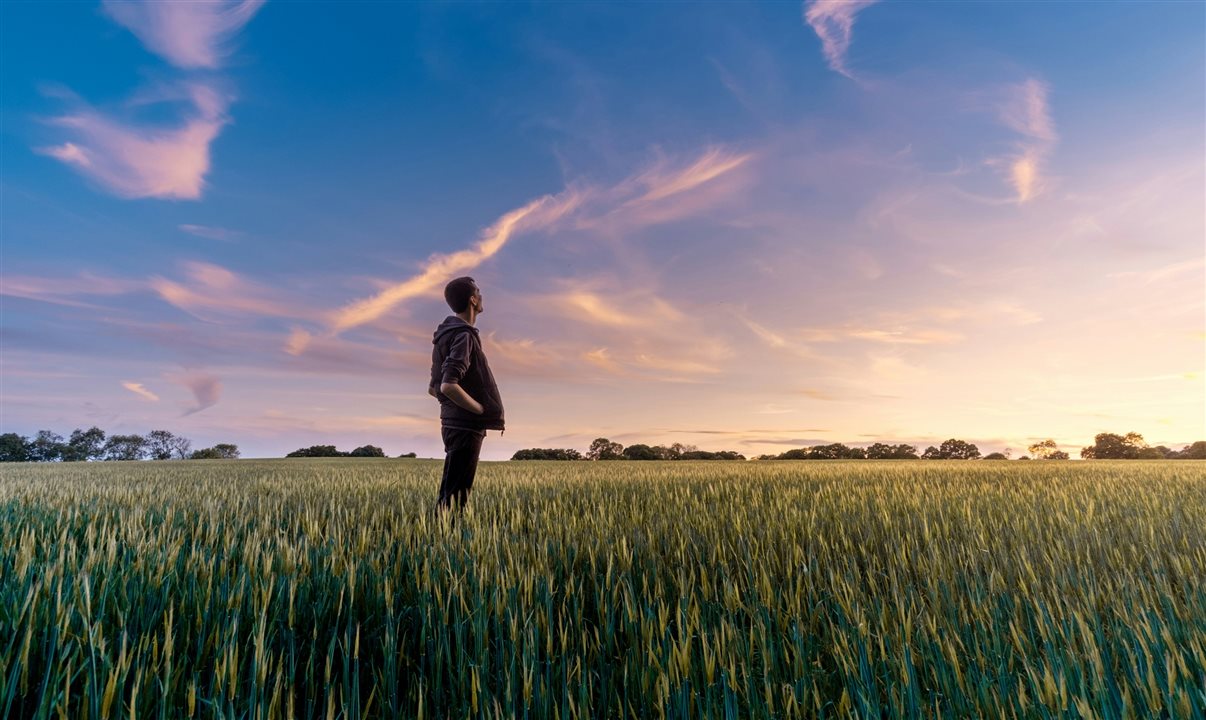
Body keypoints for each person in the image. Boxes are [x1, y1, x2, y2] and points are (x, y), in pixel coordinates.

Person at [428, 276, 505, 515]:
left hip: (452, 424)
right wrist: (479, 410)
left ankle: (439, 533)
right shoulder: (464, 335)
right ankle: (447, 536)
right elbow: (447, 386)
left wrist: (452, 409)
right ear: (472, 300)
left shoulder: (445, 335)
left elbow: (433, 388)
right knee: (456, 498)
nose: (481, 296)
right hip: (465, 426)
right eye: (478, 292)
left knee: (450, 493)